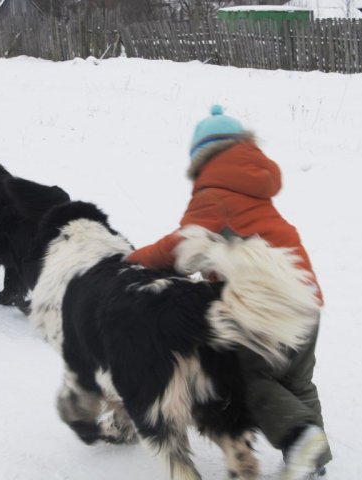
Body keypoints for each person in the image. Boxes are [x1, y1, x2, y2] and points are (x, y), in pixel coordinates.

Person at [126, 105, 332, 480]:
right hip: (305, 302)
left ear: (201, 158)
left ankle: (301, 438)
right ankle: (312, 463)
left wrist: (136, 259)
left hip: (265, 307)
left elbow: (182, 245)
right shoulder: (255, 188)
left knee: (250, 378)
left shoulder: (214, 193)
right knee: (298, 382)